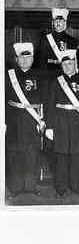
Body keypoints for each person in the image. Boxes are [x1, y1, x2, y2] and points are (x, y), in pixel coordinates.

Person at [45, 50, 79, 198]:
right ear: (61, 65)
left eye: (70, 63)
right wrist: (49, 126)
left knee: (76, 155)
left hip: (78, 121)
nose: (67, 66)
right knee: (60, 155)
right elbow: (50, 105)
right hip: (60, 121)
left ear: (75, 64)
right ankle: (61, 187)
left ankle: (75, 185)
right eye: (65, 64)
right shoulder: (56, 82)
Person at [5, 43, 45, 198]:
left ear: (32, 59)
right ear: (16, 59)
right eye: (22, 57)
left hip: (32, 120)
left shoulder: (40, 76)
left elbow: (45, 99)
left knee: (32, 154)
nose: (25, 60)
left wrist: (43, 119)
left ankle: (30, 186)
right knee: (14, 154)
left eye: (28, 57)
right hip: (14, 119)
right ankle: (16, 188)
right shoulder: (8, 75)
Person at [38, 8, 78, 75]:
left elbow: (74, 61)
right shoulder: (45, 39)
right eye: (56, 21)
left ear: (65, 22)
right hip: (48, 71)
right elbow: (41, 59)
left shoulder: (72, 40)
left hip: (65, 72)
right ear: (53, 23)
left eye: (60, 21)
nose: (58, 23)